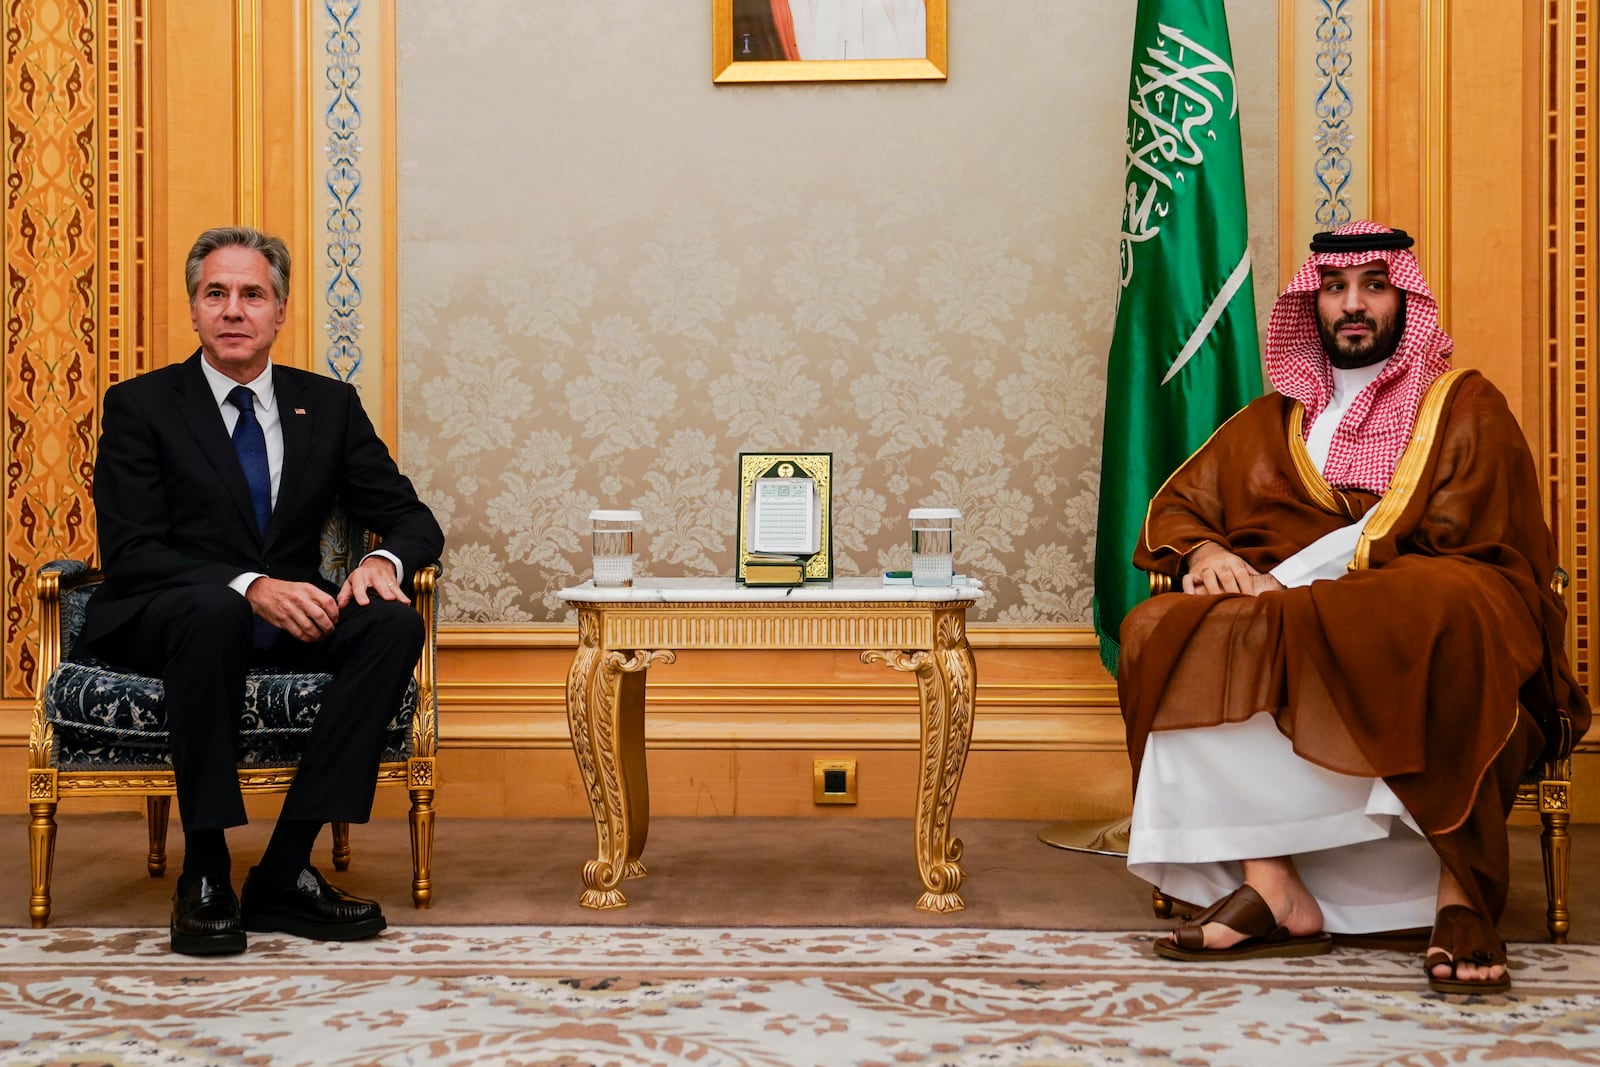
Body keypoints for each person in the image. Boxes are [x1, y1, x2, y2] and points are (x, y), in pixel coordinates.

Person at [1117, 219, 1588, 995]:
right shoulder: (1273, 423)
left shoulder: (1462, 403)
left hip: (1421, 600)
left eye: (1374, 285)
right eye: (1335, 288)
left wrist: (1307, 579)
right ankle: (1273, 882)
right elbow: (1179, 509)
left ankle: (1459, 891)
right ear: (1314, 307)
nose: (1353, 304)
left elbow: (1477, 535)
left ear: (1405, 299)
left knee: (1440, 601)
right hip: (1299, 618)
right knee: (1163, 626)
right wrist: (1208, 554)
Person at [82, 226, 445, 956]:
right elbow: (131, 550)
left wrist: (384, 566)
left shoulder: (328, 406)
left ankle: (284, 868)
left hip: (289, 615)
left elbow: (411, 518)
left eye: (253, 294)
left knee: (393, 627)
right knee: (215, 608)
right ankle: (207, 867)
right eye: (216, 293)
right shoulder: (142, 406)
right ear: (194, 309)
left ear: (281, 312)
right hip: (169, 613)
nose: (233, 310)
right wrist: (250, 584)